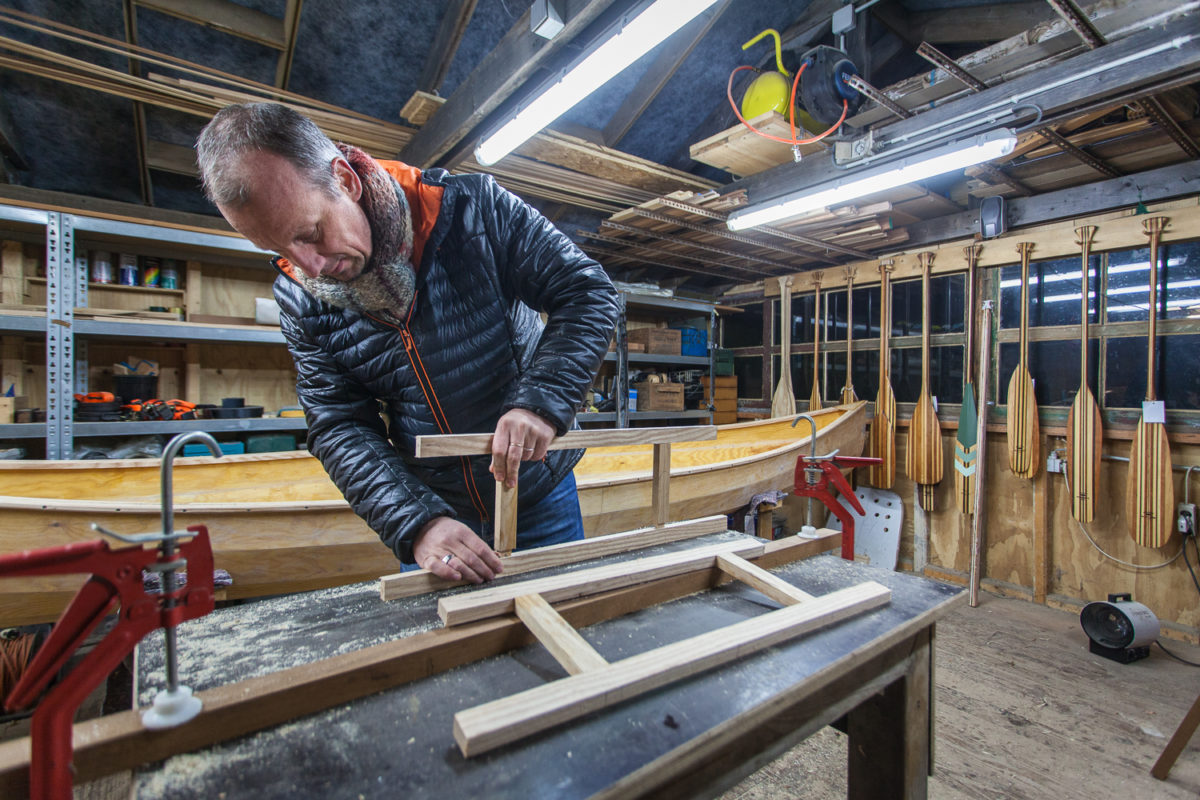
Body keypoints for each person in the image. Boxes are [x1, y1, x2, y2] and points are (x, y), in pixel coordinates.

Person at [195, 103, 618, 584]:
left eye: (310, 233)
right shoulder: (301, 297)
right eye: (280, 250)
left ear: (346, 181)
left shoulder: (470, 209)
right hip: (434, 516)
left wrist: (542, 402)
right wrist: (416, 523)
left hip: (536, 491)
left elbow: (587, 291)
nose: (308, 267)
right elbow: (338, 424)